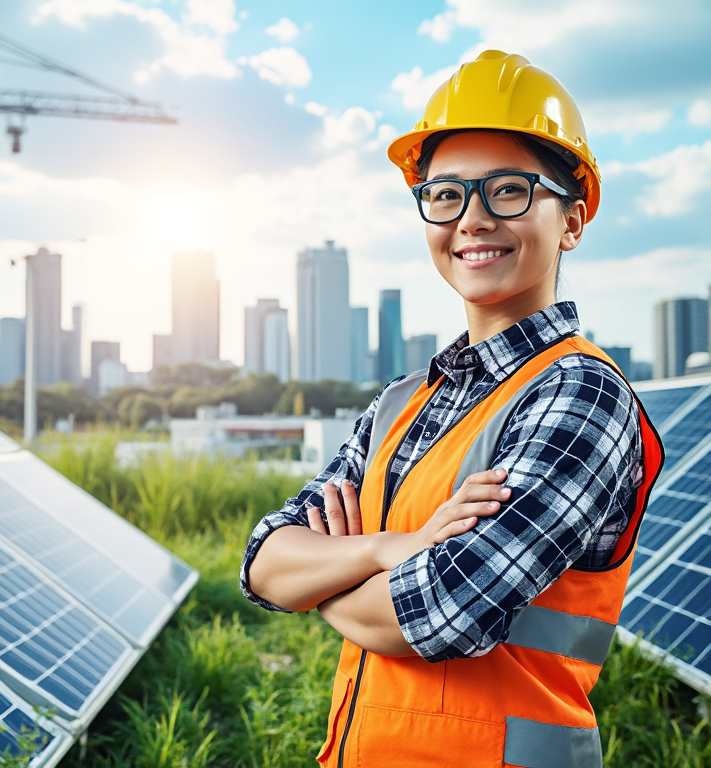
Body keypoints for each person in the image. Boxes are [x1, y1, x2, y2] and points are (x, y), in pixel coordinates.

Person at [240, 50, 664, 767]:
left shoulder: (579, 394)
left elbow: (439, 613)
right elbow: (262, 563)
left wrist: (328, 583)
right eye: (445, 194)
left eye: (508, 190)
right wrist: (381, 551)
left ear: (573, 221)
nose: (472, 219)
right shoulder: (400, 404)